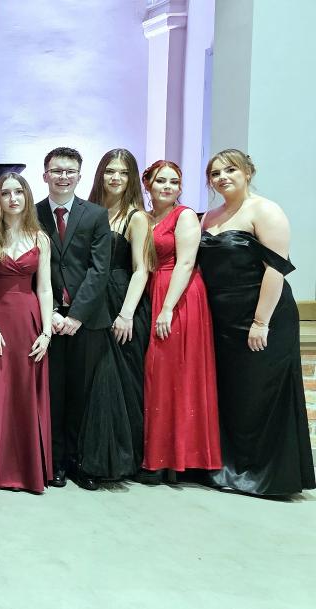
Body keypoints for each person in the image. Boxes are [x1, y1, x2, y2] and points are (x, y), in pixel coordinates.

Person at [198, 149, 314, 497]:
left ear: (248, 172)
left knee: (259, 393)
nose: (222, 177)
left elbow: (276, 269)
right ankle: (229, 469)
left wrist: (261, 321)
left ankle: (264, 475)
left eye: (230, 170)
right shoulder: (209, 217)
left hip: (262, 315)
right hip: (222, 319)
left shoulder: (265, 210)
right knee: (233, 393)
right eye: (215, 173)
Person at [0, 173, 54, 494]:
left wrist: (46, 331)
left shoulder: (40, 239)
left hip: (29, 323)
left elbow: (44, 288)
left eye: (19, 192)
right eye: (6, 193)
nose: (13, 198)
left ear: (27, 197)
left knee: (24, 393)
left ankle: (26, 472)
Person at [35, 147, 115, 490]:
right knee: (52, 394)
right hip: (47, 319)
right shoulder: (33, 213)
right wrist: (52, 312)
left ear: (80, 176)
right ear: (45, 175)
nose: (63, 177)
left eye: (70, 171)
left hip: (88, 320)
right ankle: (54, 463)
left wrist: (77, 315)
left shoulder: (95, 215)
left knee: (83, 394)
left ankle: (82, 462)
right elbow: (32, 271)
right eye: (57, 170)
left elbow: (99, 270)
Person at [141, 160, 222, 479]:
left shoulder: (185, 215)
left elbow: (186, 263)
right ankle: (158, 455)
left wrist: (167, 308)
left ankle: (180, 459)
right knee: (157, 374)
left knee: (174, 371)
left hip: (180, 296)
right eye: (161, 180)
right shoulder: (145, 217)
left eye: (174, 182)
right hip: (154, 290)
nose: (168, 187)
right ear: (147, 184)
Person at [87, 149, 152, 480]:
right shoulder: (92, 210)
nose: (116, 178)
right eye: (110, 171)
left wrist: (126, 314)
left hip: (122, 302)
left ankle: (121, 461)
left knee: (122, 383)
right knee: (95, 381)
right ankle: (92, 458)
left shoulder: (136, 217)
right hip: (93, 302)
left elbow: (142, 269)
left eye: (124, 173)